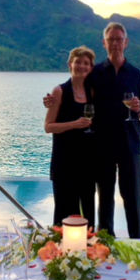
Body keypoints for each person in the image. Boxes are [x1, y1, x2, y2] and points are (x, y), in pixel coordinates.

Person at [44, 22, 140, 238]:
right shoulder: (96, 73)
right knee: (105, 198)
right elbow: (74, 86)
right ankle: (105, 240)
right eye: (110, 39)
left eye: (119, 39)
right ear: (104, 43)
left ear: (126, 43)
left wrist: (139, 108)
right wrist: (51, 99)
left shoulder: (137, 75)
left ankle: (137, 241)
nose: (115, 43)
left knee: (132, 196)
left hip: (131, 145)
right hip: (102, 145)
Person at [44, 45, 97, 228]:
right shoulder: (59, 91)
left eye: (86, 63)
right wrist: (74, 124)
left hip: (88, 163)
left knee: (88, 214)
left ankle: (89, 251)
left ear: (91, 68)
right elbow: (48, 126)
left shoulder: (94, 92)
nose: (81, 66)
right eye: (78, 62)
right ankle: (59, 253)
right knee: (64, 213)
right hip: (64, 162)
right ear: (70, 64)